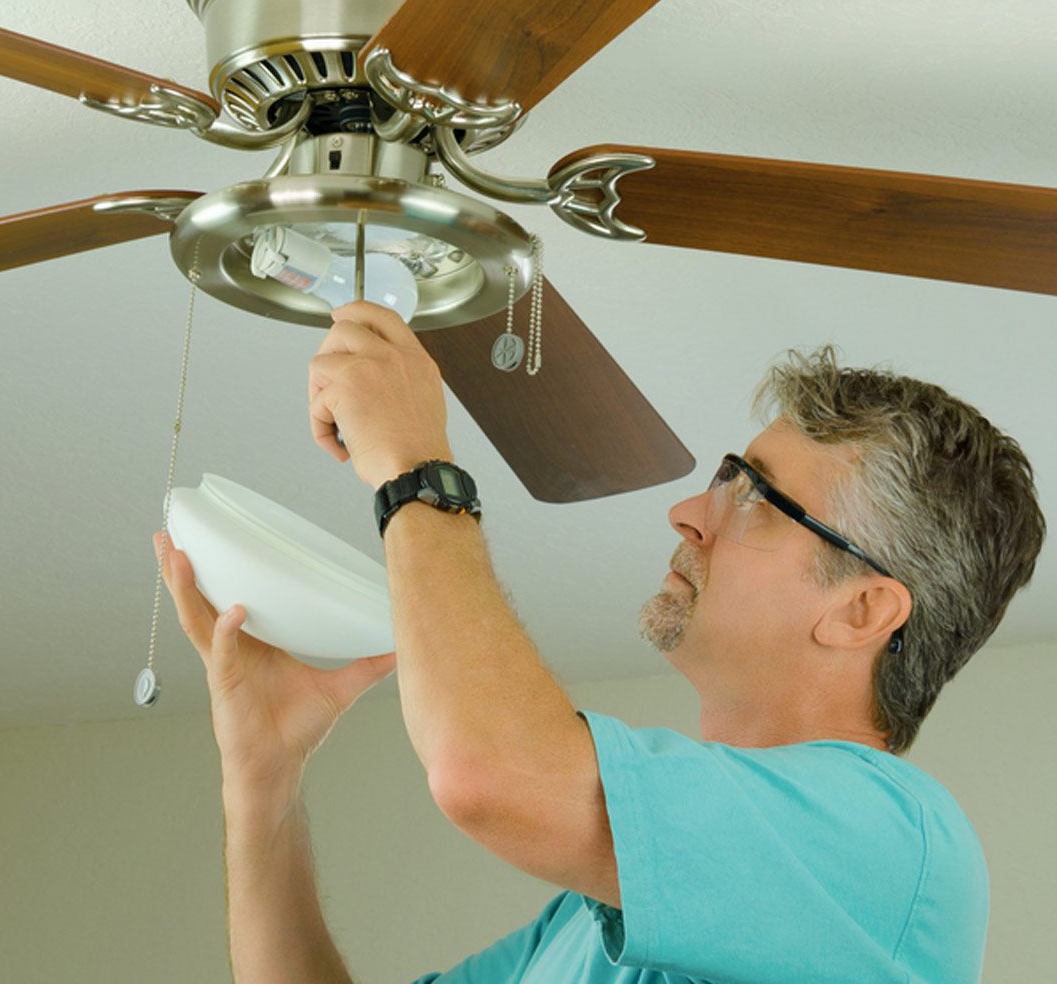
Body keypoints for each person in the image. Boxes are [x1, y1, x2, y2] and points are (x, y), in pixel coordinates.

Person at [157, 300, 1044, 983]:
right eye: (721, 479)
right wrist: (263, 780)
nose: (689, 513)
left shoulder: (894, 843)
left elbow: (485, 772)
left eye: (753, 496)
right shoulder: (597, 919)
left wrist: (417, 469)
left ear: (861, 611)